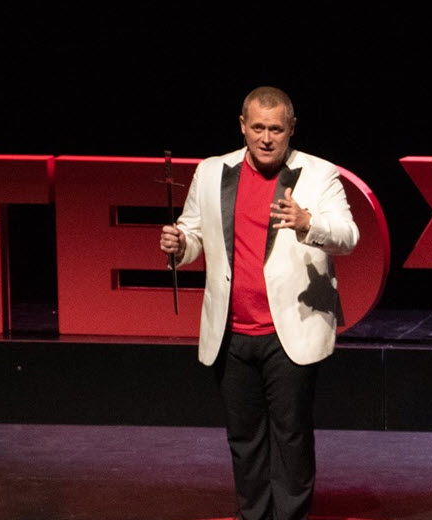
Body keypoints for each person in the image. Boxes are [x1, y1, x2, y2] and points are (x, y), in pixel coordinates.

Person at [159, 86, 359, 520]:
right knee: (244, 438)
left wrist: (309, 224)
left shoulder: (319, 174)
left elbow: (348, 236)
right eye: (257, 128)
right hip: (231, 332)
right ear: (242, 127)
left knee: (291, 437)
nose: (266, 138)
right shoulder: (212, 172)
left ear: (290, 130)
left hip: (289, 331)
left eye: (275, 129)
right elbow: (194, 233)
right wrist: (180, 246)